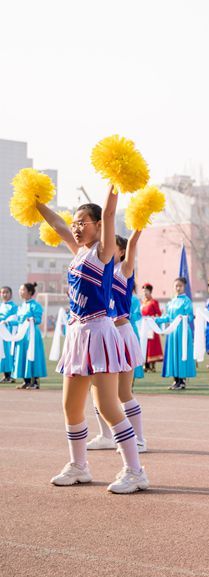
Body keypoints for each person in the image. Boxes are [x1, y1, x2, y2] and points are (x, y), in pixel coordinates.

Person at [36, 189, 148, 493]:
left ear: (98, 225)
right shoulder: (79, 251)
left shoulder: (104, 252)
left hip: (99, 332)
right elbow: (58, 225)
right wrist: (34, 201)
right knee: (71, 407)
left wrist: (115, 184)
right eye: (76, 222)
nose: (76, 226)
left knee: (108, 406)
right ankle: (79, 466)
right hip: (77, 334)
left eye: (82, 222)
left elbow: (111, 213)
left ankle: (135, 471)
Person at [86, 232, 147, 452]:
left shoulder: (124, 270)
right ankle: (105, 435)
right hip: (104, 334)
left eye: (114, 246)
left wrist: (138, 222)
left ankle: (139, 438)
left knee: (123, 392)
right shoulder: (101, 271)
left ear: (120, 251)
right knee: (98, 390)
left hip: (122, 333)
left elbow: (132, 243)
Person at [157, 277, 196, 390]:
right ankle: (175, 380)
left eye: (180, 286)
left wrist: (184, 318)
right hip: (173, 331)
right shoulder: (171, 302)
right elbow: (168, 317)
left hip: (182, 331)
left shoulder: (186, 301)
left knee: (182, 353)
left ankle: (182, 380)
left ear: (184, 287)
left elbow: (190, 316)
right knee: (173, 354)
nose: (178, 288)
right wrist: (156, 320)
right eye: (176, 286)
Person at [7, 283, 47, 389]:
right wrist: (7, 323)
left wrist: (32, 320)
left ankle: (35, 382)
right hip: (22, 335)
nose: (20, 292)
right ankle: (27, 381)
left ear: (29, 292)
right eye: (20, 290)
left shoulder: (35, 305)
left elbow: (38, 320)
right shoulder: (21, 306)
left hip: (32, 335)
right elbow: (19, 322)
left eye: (23, 290)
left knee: (32, 355)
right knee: (22, 355)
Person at [141, 283, 163, 372]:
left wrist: (155, 320)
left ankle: (152, 364)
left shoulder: (154, 302)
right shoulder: (142, 303)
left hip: (151, 326)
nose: (145, 293)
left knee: (152, 345)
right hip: (144, 326)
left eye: (146, 291)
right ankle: (145, 364)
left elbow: (159, 314)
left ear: (150, 292)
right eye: (143, 292)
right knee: (144, 344)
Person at [0, 286, 16, 383]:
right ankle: (5, 375)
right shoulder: (1, 305)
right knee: (2, 354)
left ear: (11, 294)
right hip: (0, 333)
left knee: (9, 353)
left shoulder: (13, 307)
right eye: (3, 292)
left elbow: (15, 318)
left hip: (9, 332)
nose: (4, 294)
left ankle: (10, 375)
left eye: (6, 292)